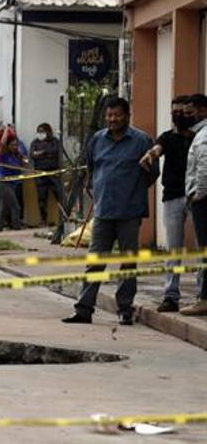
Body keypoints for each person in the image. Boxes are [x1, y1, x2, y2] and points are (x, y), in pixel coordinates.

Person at [63, 96, 156, 325]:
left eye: (117, 115)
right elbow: (93, 169)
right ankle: (84, 310)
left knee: (127, 263)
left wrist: (131, 191)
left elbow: (152, 173)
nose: (112, 119)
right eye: (109, 115)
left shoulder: (141, 141)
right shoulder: (97, 139)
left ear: (127, 116)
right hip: (103, 211)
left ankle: (125, 309)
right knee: (95, 261)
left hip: (129, 212)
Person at [137, 97, 196, 312]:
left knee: (201, 247)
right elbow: (157, 149)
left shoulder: (199, 137)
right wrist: (150, 155)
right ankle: (171, 295)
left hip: (197, 195)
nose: (178, 116)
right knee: (174, 248)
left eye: (183, 112)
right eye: (175, 112)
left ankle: (202, 294)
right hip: (172, 196)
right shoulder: (167, 137)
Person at [177, 93, 207, 316]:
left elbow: (204, 166)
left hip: (203, 201)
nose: (185, 117)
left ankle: (204, 298)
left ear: (202, 111)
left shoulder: (204, 135)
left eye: (190, 113)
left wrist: (199, 194)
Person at [30, 122, 66, 226]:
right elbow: (33, 155)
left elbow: (55, 151)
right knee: (41, 198)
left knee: (60, 195)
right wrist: (45, 154)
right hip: (40, 174)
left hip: (54, 173)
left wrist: (43, 152)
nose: (40, 134)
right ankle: (43, 220)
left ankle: (64, 217)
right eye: (39, 131)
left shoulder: (55, 141)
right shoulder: (35, 143)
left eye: (43, 131)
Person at [0, 135, 26, 231]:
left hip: (13, 185)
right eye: (12, 145)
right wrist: (7, 131)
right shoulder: (3, 156)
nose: (14, 147)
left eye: (16, 145)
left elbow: (23, 163)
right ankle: (16, 227)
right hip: (3, 184)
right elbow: (2, 144)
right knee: (15, 206)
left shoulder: (16, 156)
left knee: (4, 209)